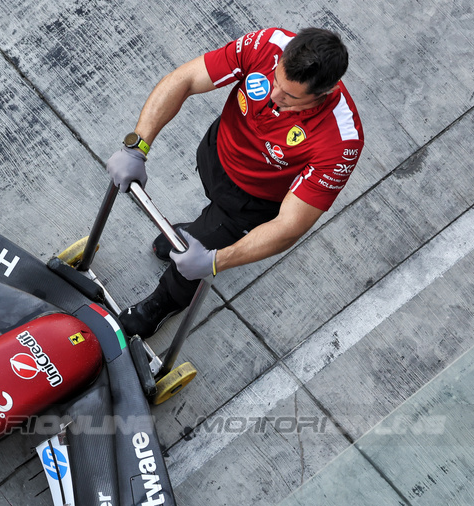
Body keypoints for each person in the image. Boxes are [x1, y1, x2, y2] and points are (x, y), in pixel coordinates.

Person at [107, 27, 363, 337]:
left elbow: (290, 226)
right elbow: (185, 79)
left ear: (325, 93)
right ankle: (197, 231)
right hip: (217, 152)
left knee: (191, 267)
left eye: (290, 97)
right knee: (206, 221)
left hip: (248, 203)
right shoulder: (267, 44)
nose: (273, 95)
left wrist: (216, 260)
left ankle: (163, 303)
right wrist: (137, 146)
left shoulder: (340, 140)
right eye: (276, 80)